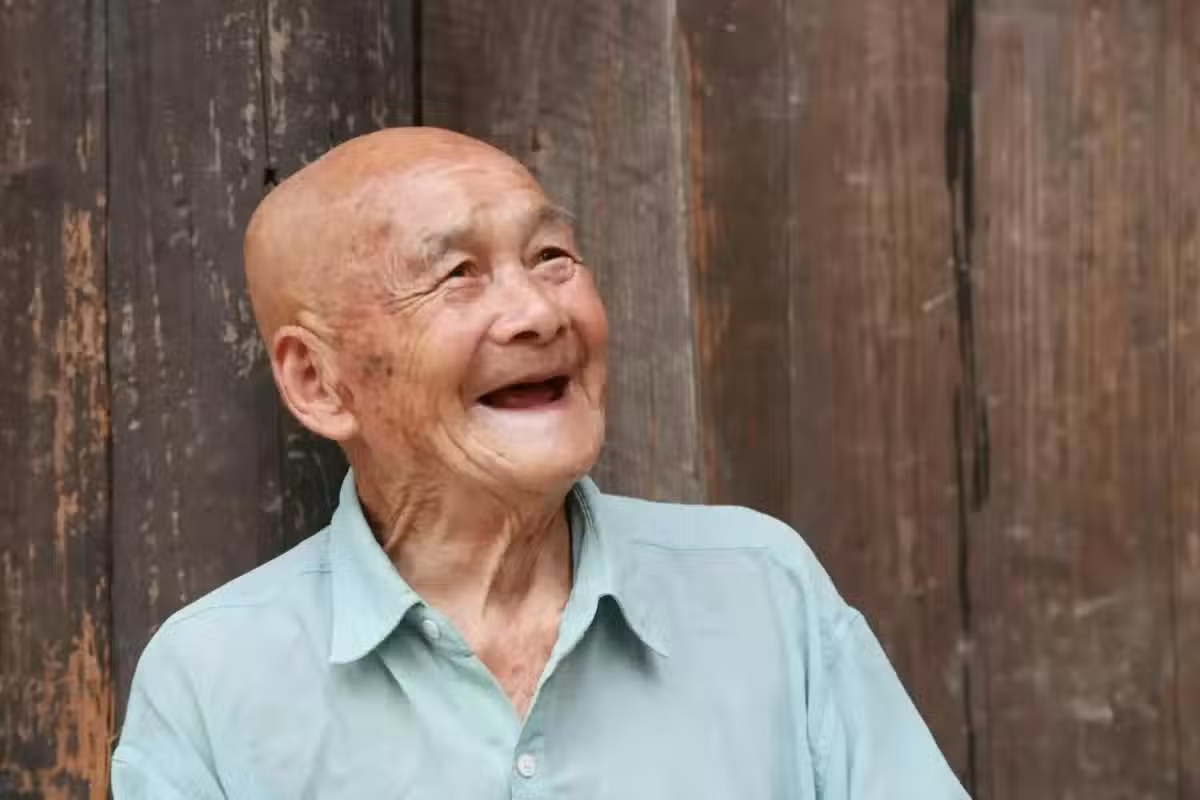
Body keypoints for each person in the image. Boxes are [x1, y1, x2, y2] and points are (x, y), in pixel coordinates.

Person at [111, 127, 969, 799]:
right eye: (457, 274)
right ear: (318, 382)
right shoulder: (213, 680)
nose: (537, 313)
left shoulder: (761, 590)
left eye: (552, 257)